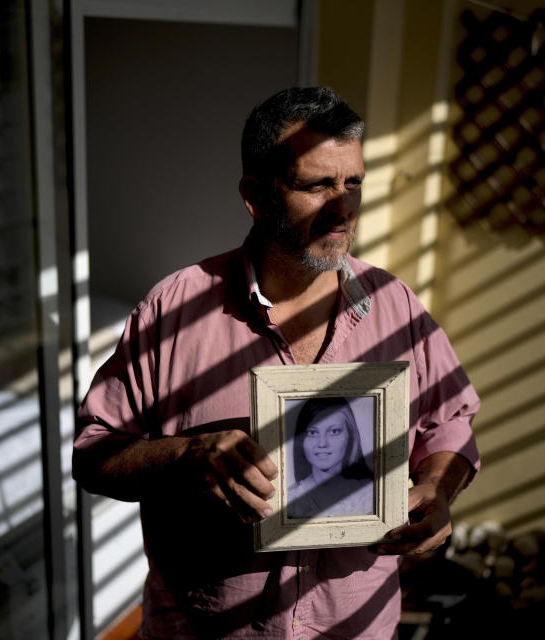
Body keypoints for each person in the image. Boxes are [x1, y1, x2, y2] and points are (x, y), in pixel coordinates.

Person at [73, 86, 480, 639]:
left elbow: (450, 419)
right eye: (317, 186)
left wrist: (437, 488)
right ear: (255, 195)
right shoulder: (175, 310)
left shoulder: (396, 305)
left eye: (353, 183)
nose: (343, 209)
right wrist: (186, 456)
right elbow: (94, 455)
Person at [286, 397, 373, 519]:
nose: (322, 443)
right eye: (312, 433)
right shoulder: (287, 499)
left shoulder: (373, 494)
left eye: (334, 431)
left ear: (351, 435)